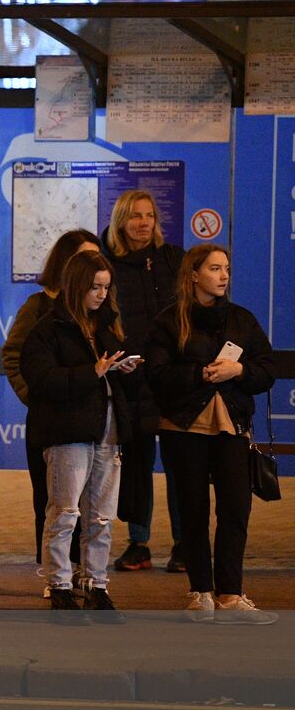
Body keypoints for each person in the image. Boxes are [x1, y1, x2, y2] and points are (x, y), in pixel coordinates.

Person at [145, 245, 277, 624]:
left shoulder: (242, 320)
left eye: (227, 269)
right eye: (215, 268)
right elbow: (156, 376)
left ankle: (231, 594)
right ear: (193, 275)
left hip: (232, 426)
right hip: (182, 427)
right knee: (193, 510)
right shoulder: (169, 322)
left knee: (236, 507)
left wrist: (239, 372)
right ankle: (200, 592)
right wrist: (201, 373)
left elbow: (266, 369)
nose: (223, 276)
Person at [20, 250, 137, 619]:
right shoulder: (48, 330)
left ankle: (96, 584)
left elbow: (101, 375)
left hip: (106, 431)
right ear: (75, 287)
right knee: (65, 513)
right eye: (94, 288)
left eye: (105, 287)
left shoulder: (104, 327)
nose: (101, 295)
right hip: (67, 434)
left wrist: (121, 369)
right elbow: (43, 381)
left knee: (102, 515)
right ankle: (60, 585)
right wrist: (95, 371)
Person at [1, 228, 101, 573]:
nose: (90, 268)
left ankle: (87, 572)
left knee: (92, 503)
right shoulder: (40, 306)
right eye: (82, 259)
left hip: (92, 421)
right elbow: (14, 356)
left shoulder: (99, 309)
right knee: (53, 501)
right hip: (51, 421)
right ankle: (56, 573)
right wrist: (35, 396)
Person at [102, 189, 185, 573]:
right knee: (136, 467)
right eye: (135, 215)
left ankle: (186, 544)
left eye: (149, 215)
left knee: (183, 467)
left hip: (173, 381)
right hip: (132, 382)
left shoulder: (172, 259)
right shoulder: (107, 264)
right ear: (121, 221)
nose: (143, 222)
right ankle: (139, 543)